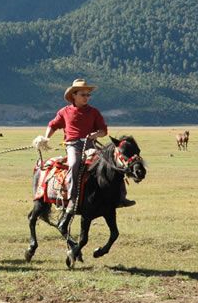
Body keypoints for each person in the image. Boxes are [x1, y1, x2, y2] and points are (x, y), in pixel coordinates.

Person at [35, 79, 135, 221]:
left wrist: (95, 134)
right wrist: (45, 138)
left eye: (88, 95)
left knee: (111, 164)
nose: (86, 97)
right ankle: (72, 199)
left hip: (90, 145)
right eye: (83, 94)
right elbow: (52, 125)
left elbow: (103, 130)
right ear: (74, 95)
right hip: (73, 145)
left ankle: (120, 196)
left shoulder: (93, 112)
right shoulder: (64, 112)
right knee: (74, 164)